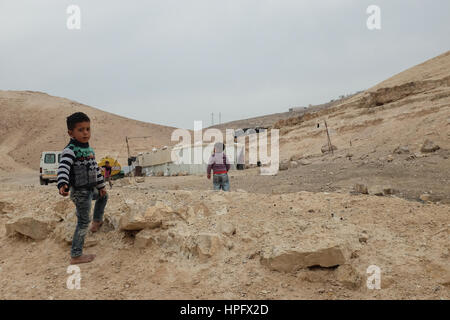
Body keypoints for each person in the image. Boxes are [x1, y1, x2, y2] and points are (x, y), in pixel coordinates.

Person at [57, 112, 108, 265]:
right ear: (70, 133)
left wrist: (101, 186)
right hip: (79, 193)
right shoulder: (70, 150)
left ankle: (97, 221)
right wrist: (62, 184)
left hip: (90, 190)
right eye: (81, 130)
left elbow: (95, 171)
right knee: (83, 222)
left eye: (88, 129)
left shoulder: (90, 151)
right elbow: (63, 168)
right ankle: (76, 255)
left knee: (104, 196)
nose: (85, 133)